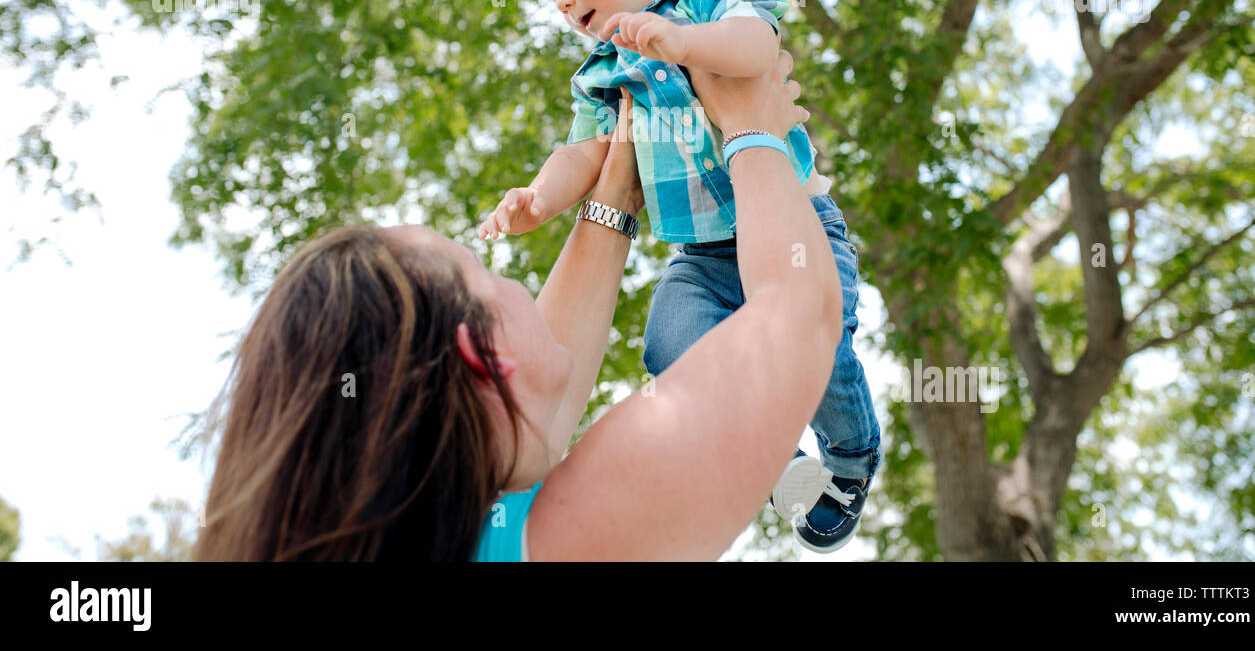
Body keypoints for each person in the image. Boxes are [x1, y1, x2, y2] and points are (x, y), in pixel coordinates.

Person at [194, 54, 844, 560]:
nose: (514, 288)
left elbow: (537, 404)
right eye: (482, 271)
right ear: (483, 351)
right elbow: (797, 312)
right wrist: (751, 125)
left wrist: (616, 192)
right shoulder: (562, 545)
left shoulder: (477, 532)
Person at [477, 0, 880, 550]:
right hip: (702, 254)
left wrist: (685, 44)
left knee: (820, 345)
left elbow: (758, 47)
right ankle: (784, 469)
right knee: (668, 343)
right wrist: (539, 198)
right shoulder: (603, 70)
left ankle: (850, 452)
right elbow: (589, 153)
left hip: (797, 225)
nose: (563, 0)